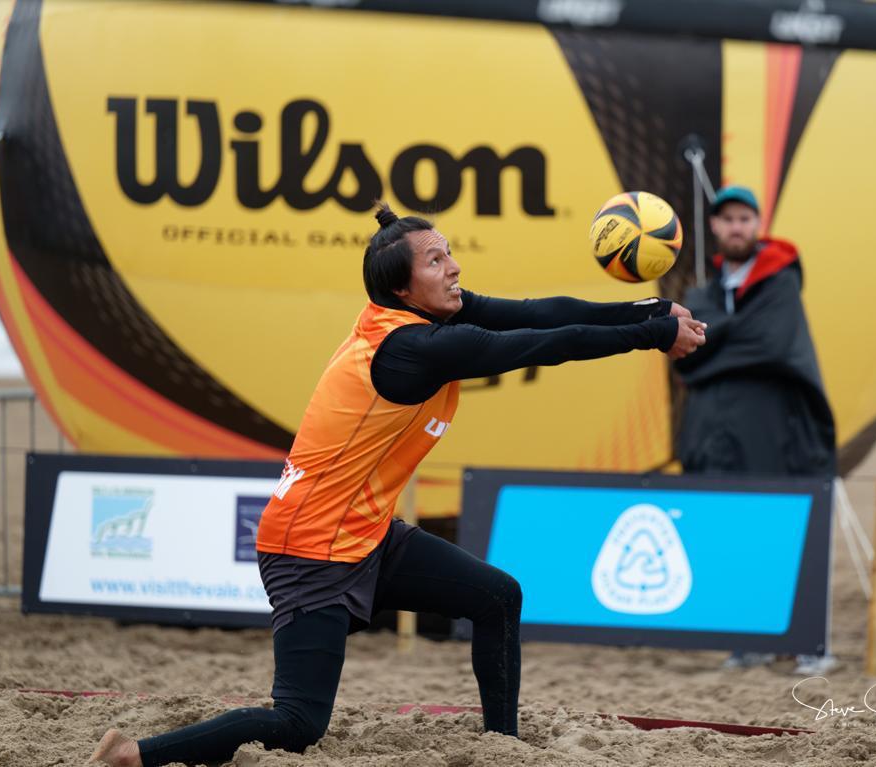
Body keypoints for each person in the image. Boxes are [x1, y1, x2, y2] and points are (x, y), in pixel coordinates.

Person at [89, 202, 707, 766]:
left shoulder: (426, 312)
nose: (454, 267)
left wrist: (651, 311)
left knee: (498, 596)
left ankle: (503, 749)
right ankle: (133, 755)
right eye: (436, 261)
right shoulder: (409, 347)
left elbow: (538, 312)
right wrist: (651, 336)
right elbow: (543, 344)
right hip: (309, 548)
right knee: (298, 724)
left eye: (449, 252)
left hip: (365, 534)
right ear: (403, 288)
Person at [674, 185, 837, 674]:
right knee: (728, 535)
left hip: (775, 431)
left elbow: (772, 346)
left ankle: (808, 645)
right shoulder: (701, 293)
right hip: (715, 435)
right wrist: (725, 340)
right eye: (727, 219)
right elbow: (683, 361)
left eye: (744, 218)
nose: (736, 226)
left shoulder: (779, 282)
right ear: (714, 227)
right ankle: (747, 640)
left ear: (758, 224)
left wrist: (713, 342)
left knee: (785, 533)